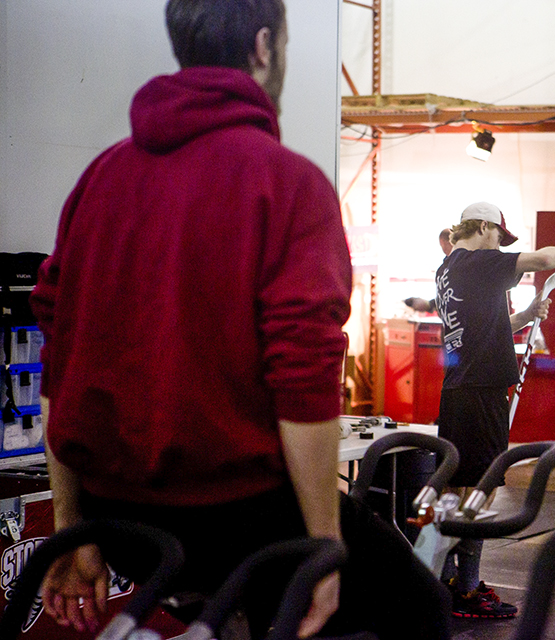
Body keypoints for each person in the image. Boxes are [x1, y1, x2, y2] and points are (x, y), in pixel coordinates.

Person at [30, 2, 449, 639]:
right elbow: (303, 379)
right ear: (262, 45)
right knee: (420, 609)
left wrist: (72, 530)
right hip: (238, 520)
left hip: (121, 523)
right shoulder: (287, 182)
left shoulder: (100, 178)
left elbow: (58, 363)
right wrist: (324, 549)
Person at [435, 201, 555, 618]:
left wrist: (527, 314)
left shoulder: (450, 268)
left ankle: (445, 581)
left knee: (457, 489)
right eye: (499, 236)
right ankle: (465, 590)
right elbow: (543, 258)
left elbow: (486, 327)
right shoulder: (477, 262)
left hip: (460, 390)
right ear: (484, 227)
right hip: (480, 393)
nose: (500, 245)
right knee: (478, 490)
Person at [404, 228, 454, 313]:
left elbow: (448, 299)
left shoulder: (444, 270)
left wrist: (430, 305)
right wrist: (429, 305)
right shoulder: (458, 264)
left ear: (441, 242)